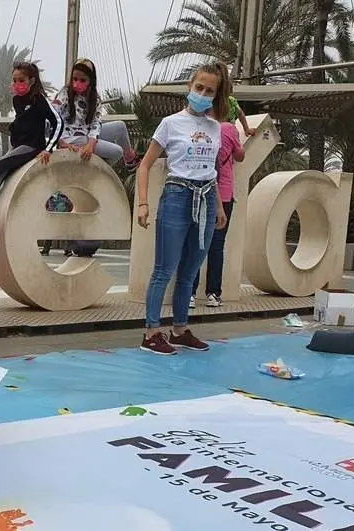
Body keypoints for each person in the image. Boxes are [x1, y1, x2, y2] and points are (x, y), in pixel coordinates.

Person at [135, 62, 230, 355]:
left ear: (216, 95)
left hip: (205, 199)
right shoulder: (171, 123)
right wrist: (142, 203)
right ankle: (151, 333)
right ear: (190, 87)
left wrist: (219, 207)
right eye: (199, 87)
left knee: (189, 271)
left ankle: (179, 329)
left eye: (209, 90)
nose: (202, 93)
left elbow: (210, 169)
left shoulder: (216, 128)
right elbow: (145, 164)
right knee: (164, 268)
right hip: (177, 195)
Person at [0, 62, 64, 240]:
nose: (17, 84)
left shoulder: (39, 99)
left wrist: (48, 149)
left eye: (22, 80)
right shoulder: (17, 100)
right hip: (17, 146)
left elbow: (58, 122)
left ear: (31, 81)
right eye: (15, 80)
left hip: (32, 147)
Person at [191, 118, 245, 308]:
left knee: (195, 243)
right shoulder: (229, 128)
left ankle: (189, 293)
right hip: (223, 193)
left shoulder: (200, 128)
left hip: (199, 191)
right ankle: (213, 294)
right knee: (216, 245)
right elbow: (240, 155)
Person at [52, 59, 140, 169]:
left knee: (120, 127)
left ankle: (130, 159)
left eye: (82, 80)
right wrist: (60, 141)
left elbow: (96, 122)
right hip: (71, 137)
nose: (77, 83)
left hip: (86, 132)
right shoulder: (65, 93)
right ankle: (93, 171)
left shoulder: (94, 97)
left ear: (91, 81)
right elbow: (52, 115)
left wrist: (91, 144)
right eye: (75, 79)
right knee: (117, 151)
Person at [40, 191, 75, 256]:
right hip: (63, 218)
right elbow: (71, 207)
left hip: (53, 218)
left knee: (49, 235)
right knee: (64, 234)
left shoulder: (51, 197)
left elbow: (46, 207)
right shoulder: (65, 196)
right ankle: (67, 251)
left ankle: (46, 251)